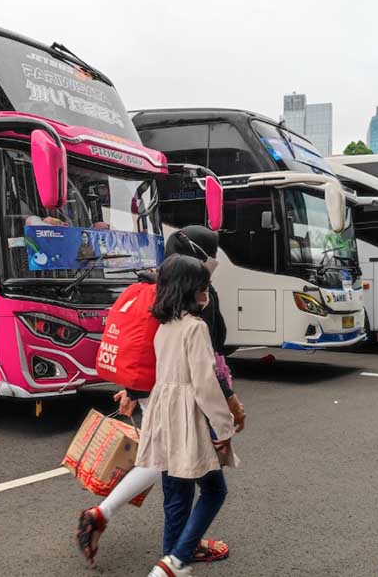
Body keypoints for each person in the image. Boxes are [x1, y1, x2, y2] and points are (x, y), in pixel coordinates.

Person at [76, 226, 244, 566]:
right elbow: (206, 370)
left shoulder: (156, 291)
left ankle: (166, 547)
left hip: (156, 394)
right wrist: (227, 417)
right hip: (187, 406)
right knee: (195, 479)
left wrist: (133, 389)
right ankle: (176, 557)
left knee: (167, 475)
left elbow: (146, 350)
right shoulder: (194, 309)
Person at [139, 254, 238, 577]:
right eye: (202, 285)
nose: (207, 289)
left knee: (176, 496)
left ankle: (168, 561)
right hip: (188, 419)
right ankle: (177, 559)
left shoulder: (164, 327)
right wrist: (224, 427)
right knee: (214, 490)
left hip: (164, 415)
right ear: (188, 288)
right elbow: (205, 385)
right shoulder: (195, 328)